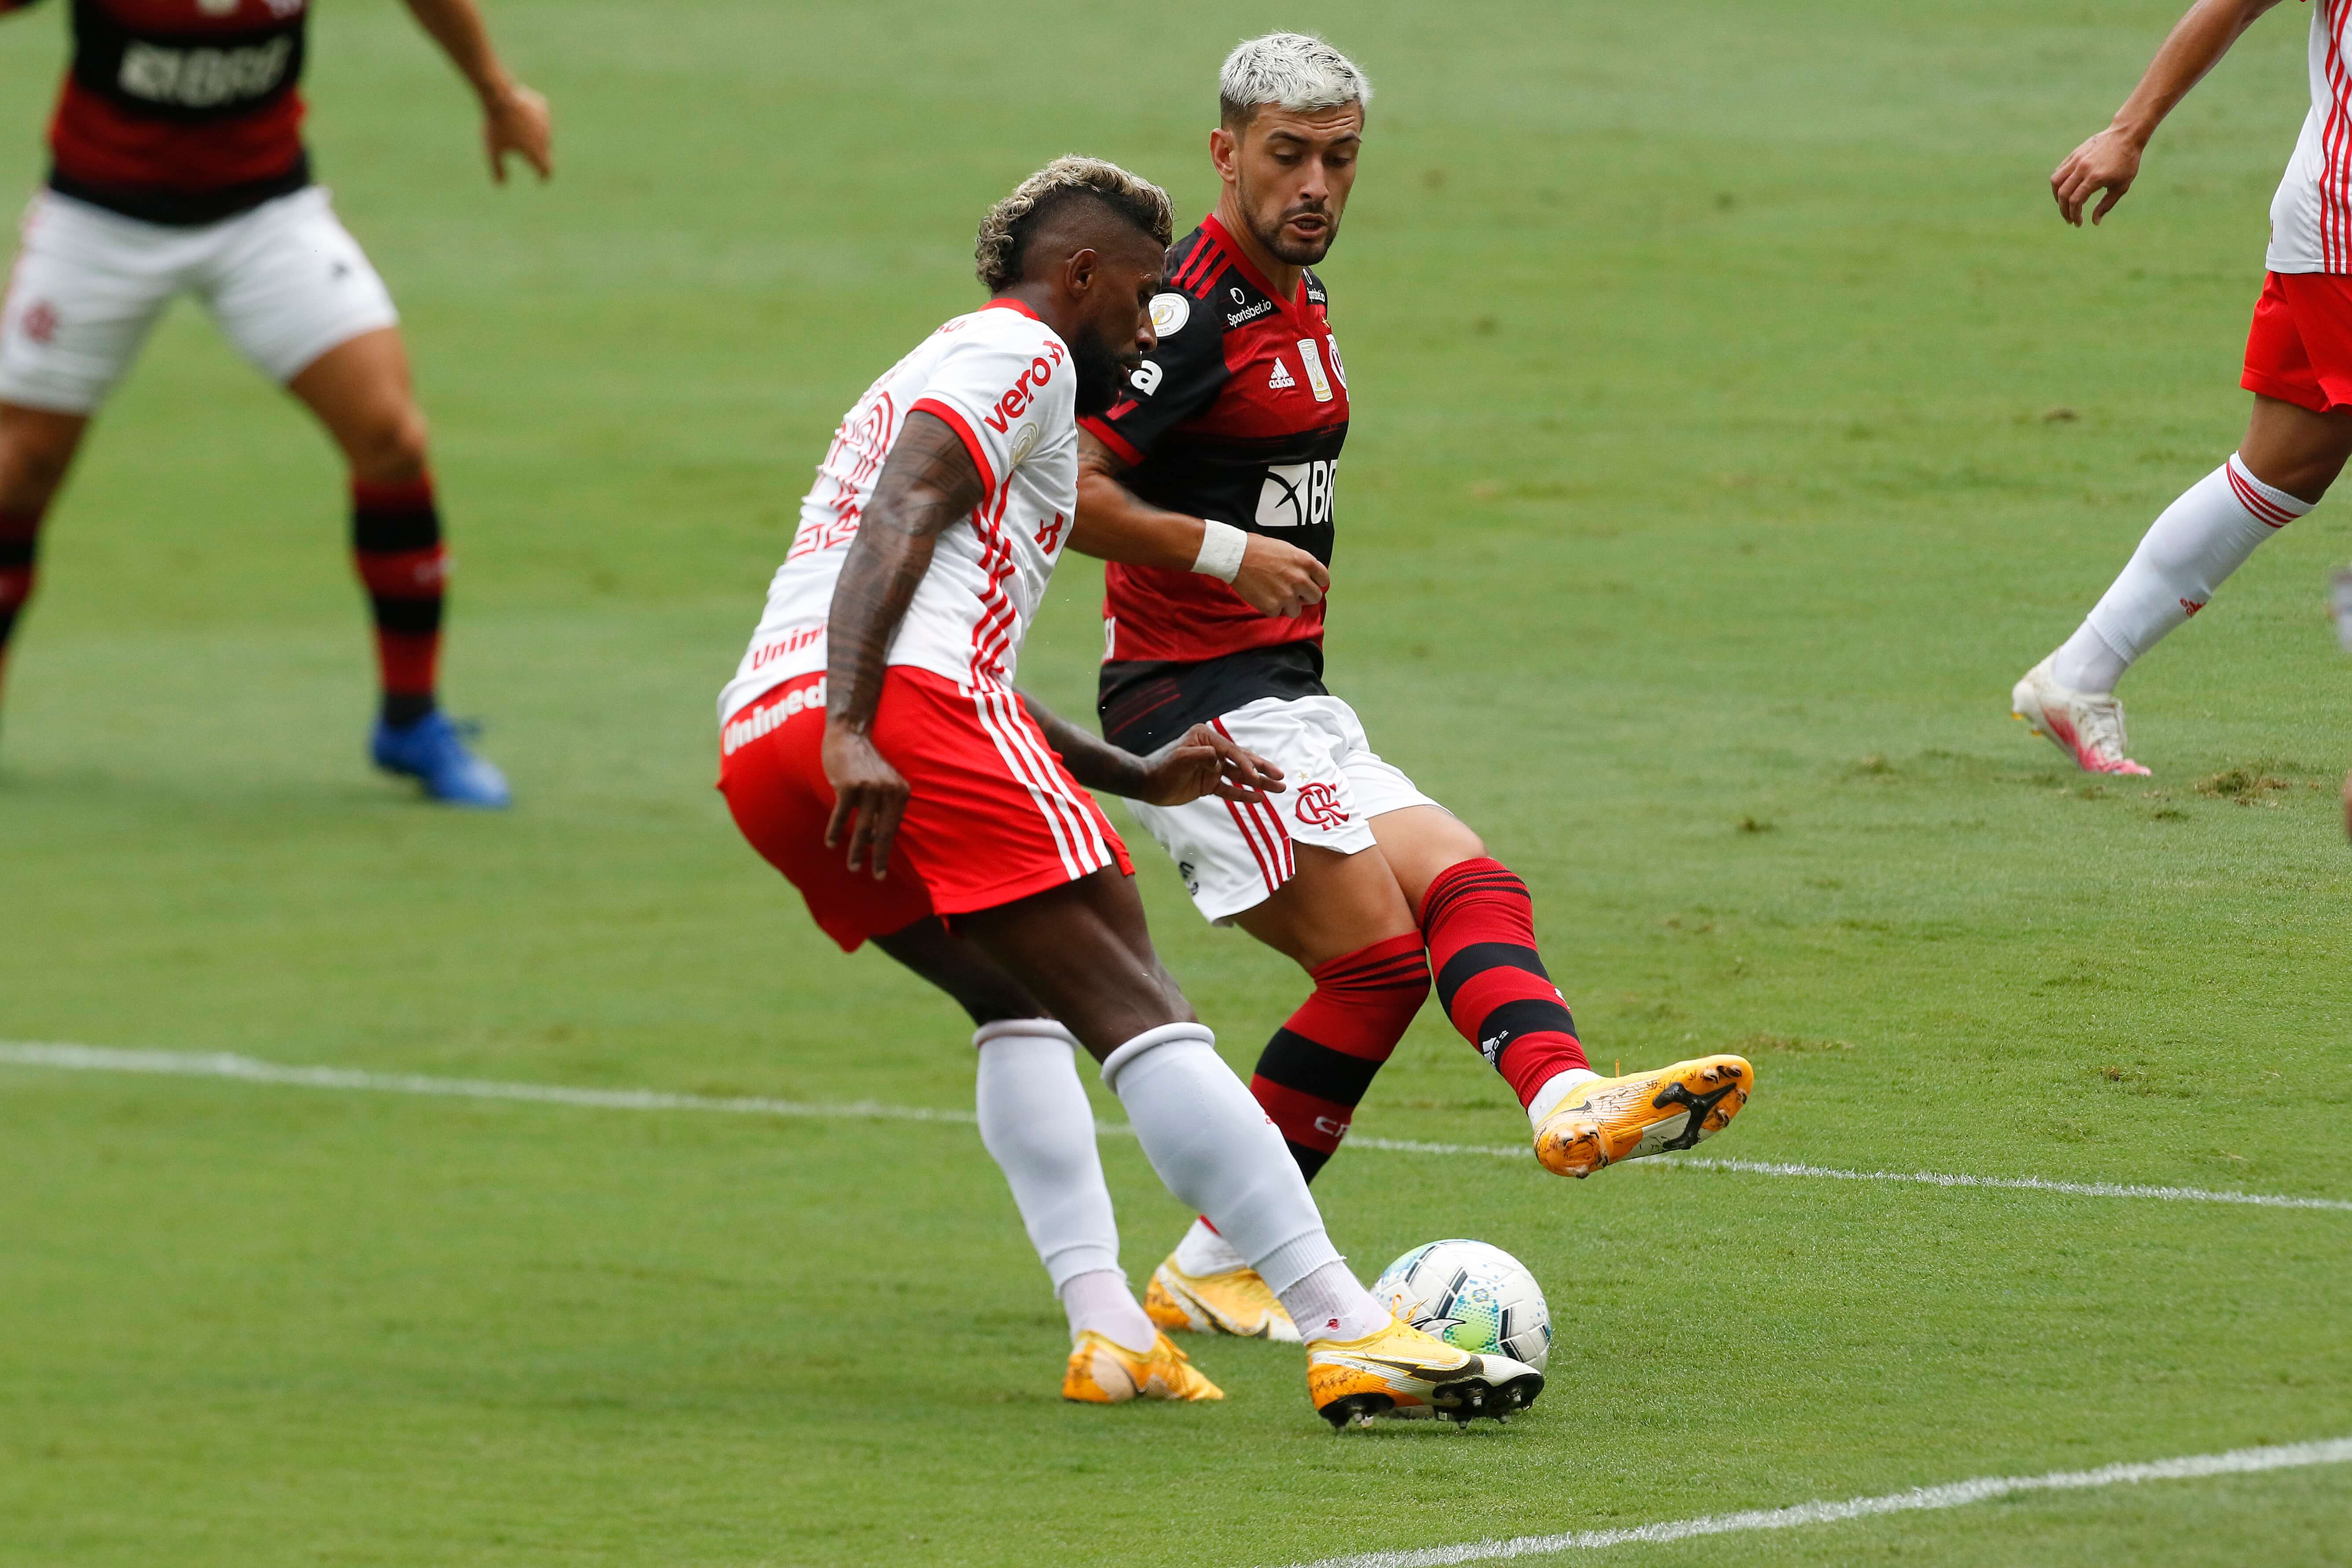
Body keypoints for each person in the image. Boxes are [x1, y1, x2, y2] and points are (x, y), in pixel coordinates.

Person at [714, 156, 1543, 1427]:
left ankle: (1108, 1325)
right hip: (877, 715)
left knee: (1016, 995)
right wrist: (856, 726)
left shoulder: (939, 360)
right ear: (1080, 274)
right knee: (1139, 1004)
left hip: (768, 732)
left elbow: (956, 631)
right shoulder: (1025, 357)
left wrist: (1132, 772)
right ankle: (1347, 1324)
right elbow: (902, 517)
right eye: (1145, 293)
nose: (1156, 323)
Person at [1067, 33, 1756, 1343]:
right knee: (1378, 960)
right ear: (1225, 154)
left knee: (1471, 884)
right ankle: (1221, 1263)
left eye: (1339, 157)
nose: (1316, 183)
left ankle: (1563, 1101)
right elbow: (1072, 491)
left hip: (1289, 695)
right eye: (1287, 156)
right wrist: (1221, 551)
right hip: (1190, 710)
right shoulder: (1189, 316)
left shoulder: (1296, 297)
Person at [0, 0, 552, 806]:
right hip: (99, 222)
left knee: (390, 436)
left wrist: (499, 97)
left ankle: (411, 720)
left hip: (263, 218)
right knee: (19, 471)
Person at [2017, 0, 2345, 775]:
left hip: (2330, 228)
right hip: (2347, 235)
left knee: (2283, 470)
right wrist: (2129, 130)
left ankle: (2078, 676)